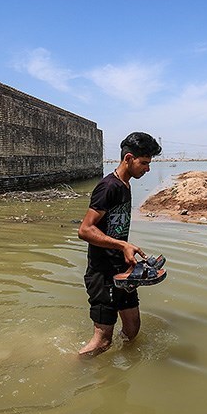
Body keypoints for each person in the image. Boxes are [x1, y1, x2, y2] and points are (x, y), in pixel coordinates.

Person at [77, 132, 162, 357]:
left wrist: (126, 250)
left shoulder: (126, 184)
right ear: (128, 159)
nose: (147, 169)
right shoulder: (108, 187)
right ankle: (75, 370)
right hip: (102, 273)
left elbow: (114, 227)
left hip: (123, 270)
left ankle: (121, 367)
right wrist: (122, 245)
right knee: (102, 342)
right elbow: (85, 230)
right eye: (144, 163)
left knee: (132, 329)